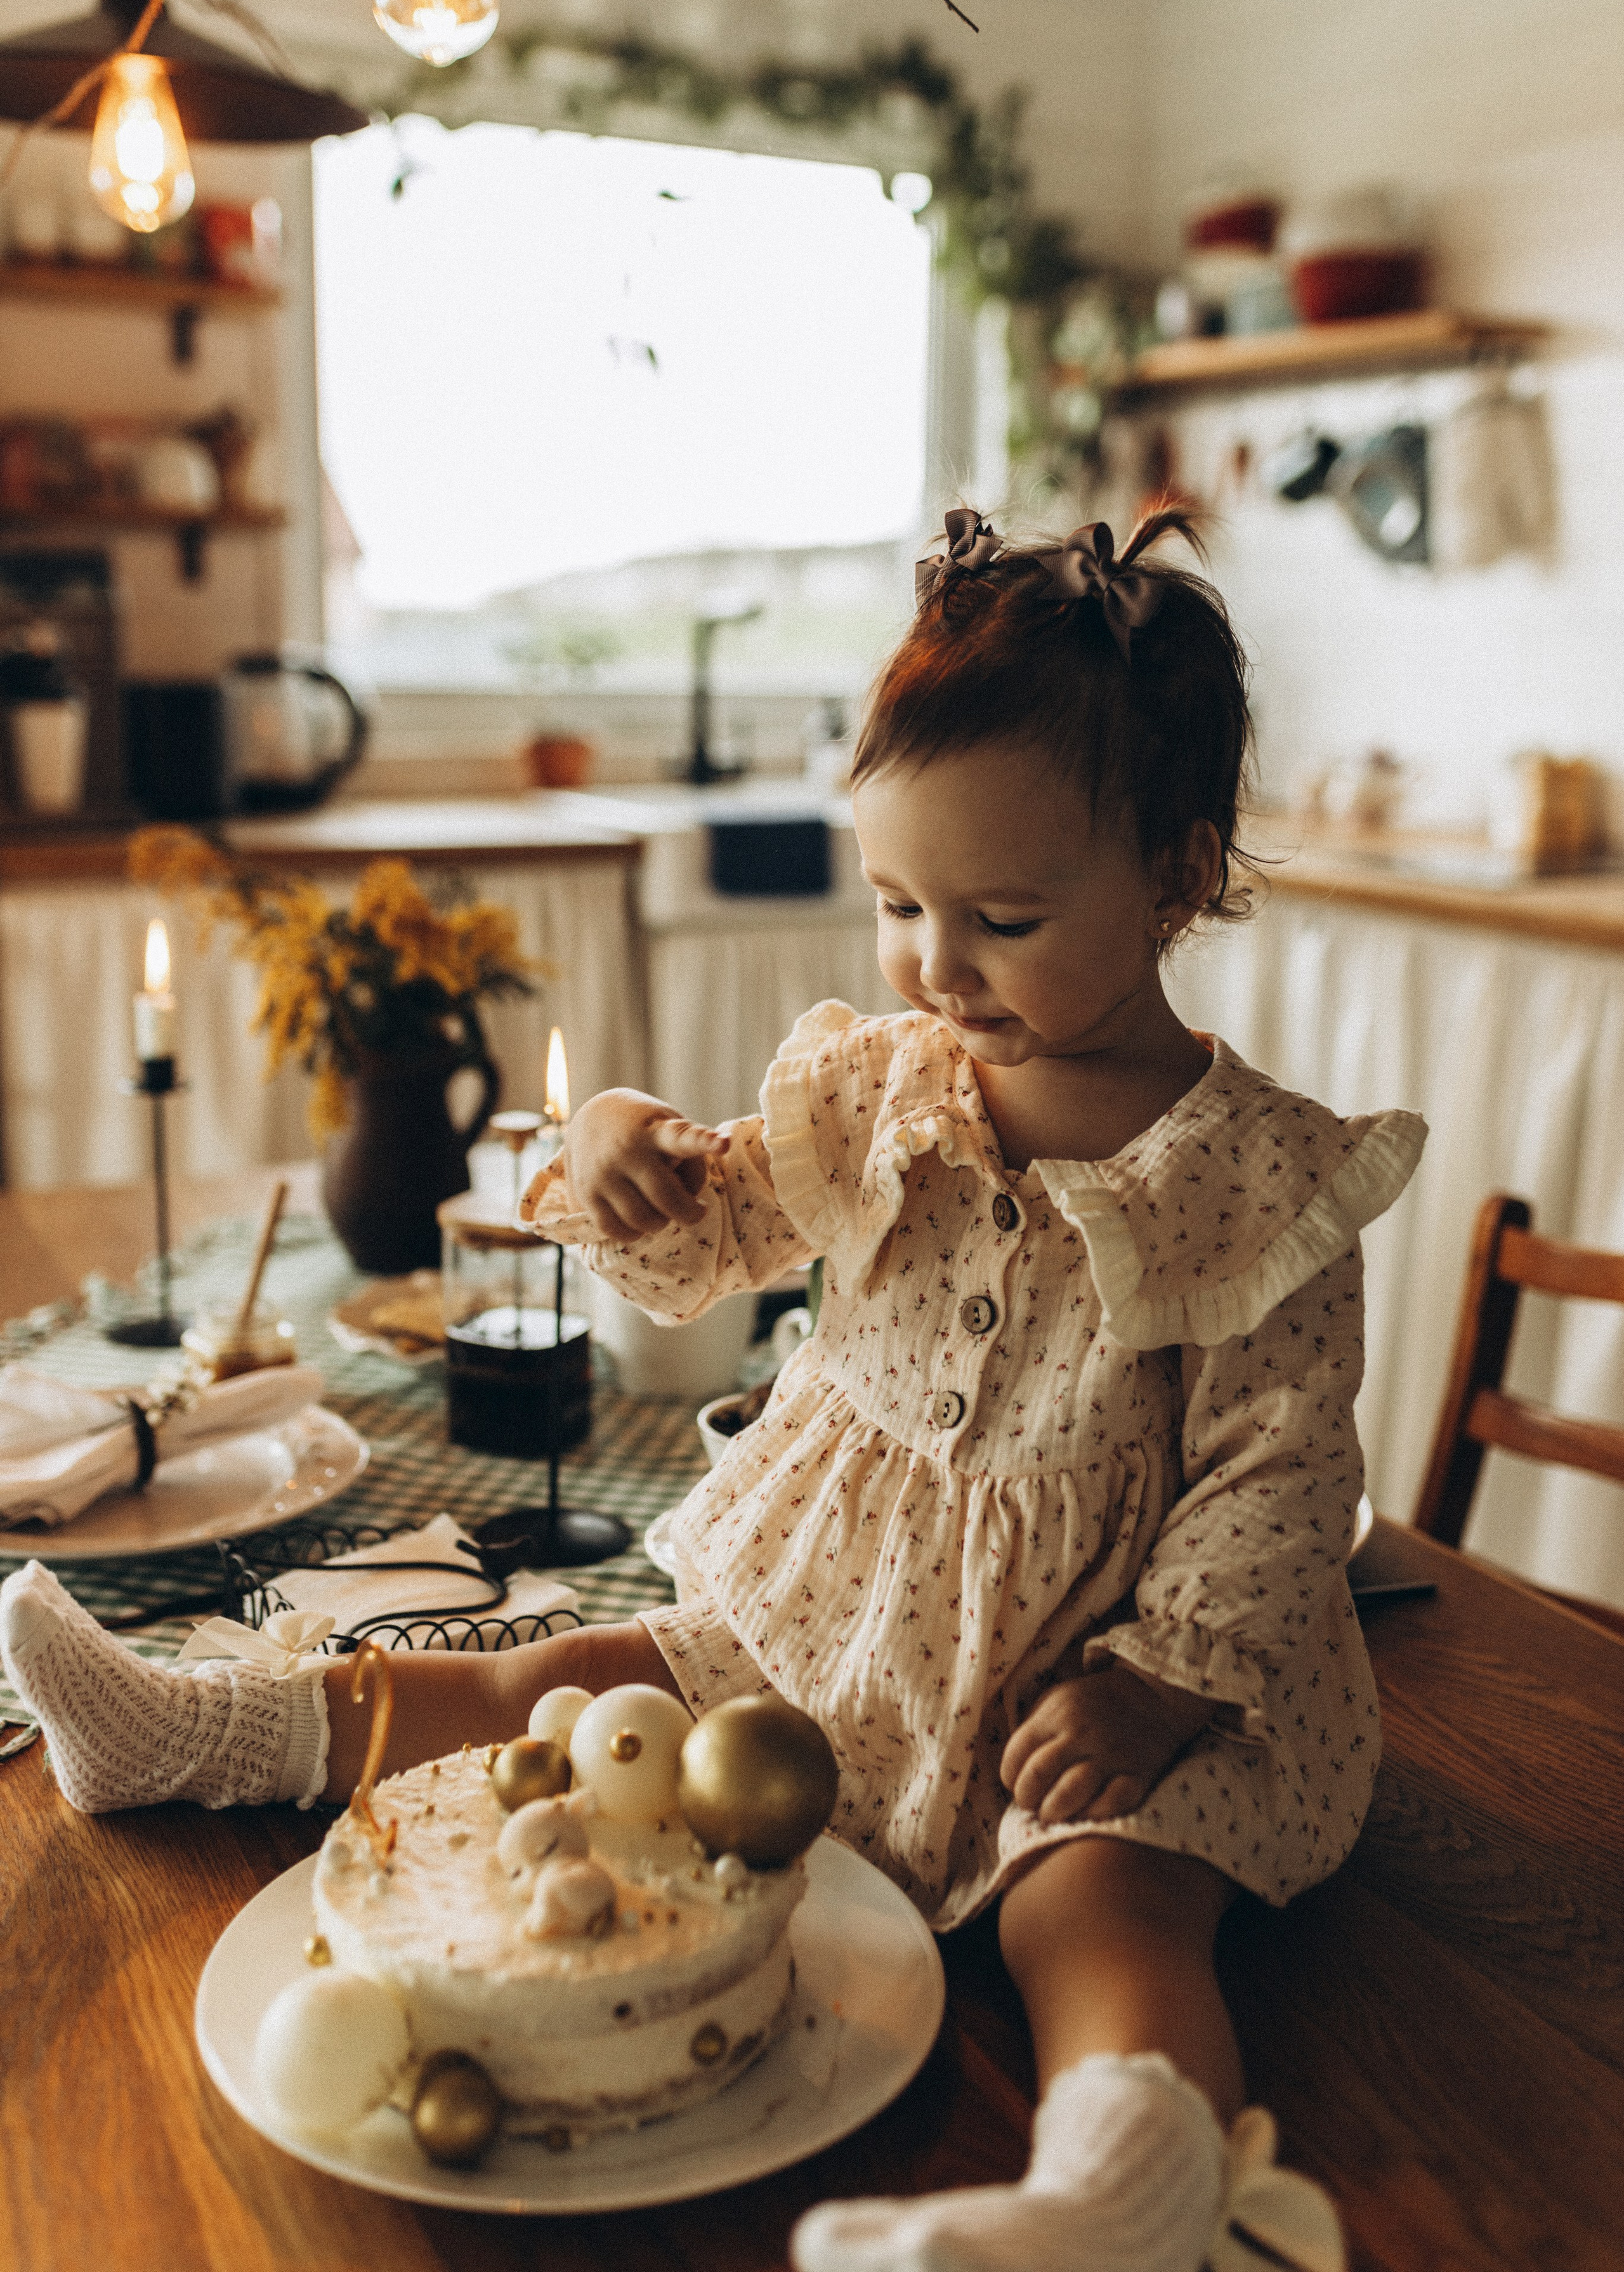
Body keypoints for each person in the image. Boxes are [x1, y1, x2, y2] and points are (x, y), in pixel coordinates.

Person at [3, 504, 1424, 2272]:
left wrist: (1160, 1687)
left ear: (1179, 877)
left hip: (1097, 1678)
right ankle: (194, 1736)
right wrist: (613, 1156)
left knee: (1107, 1909)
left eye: (999, 915)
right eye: (899, 904)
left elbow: (1281, 1481)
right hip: (832, 1625)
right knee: (564, 1675)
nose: (933, 965)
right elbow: (719, 1216)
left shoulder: (1263, 1183)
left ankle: (1112, 2190)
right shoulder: (891, 1091)